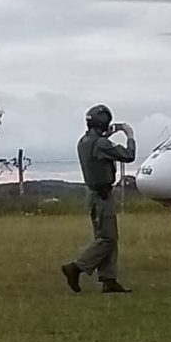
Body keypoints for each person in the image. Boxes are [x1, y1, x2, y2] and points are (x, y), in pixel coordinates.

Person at [61, 104, 136, 293]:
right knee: (107, 239)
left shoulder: (83, 142)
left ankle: (109, 280)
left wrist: (106, 137)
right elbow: (129, 156)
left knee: (106, 236)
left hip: (93, 195)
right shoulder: (101, 144)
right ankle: (76, 267)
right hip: (103, 196)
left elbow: (97, 150)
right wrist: (129, 135)